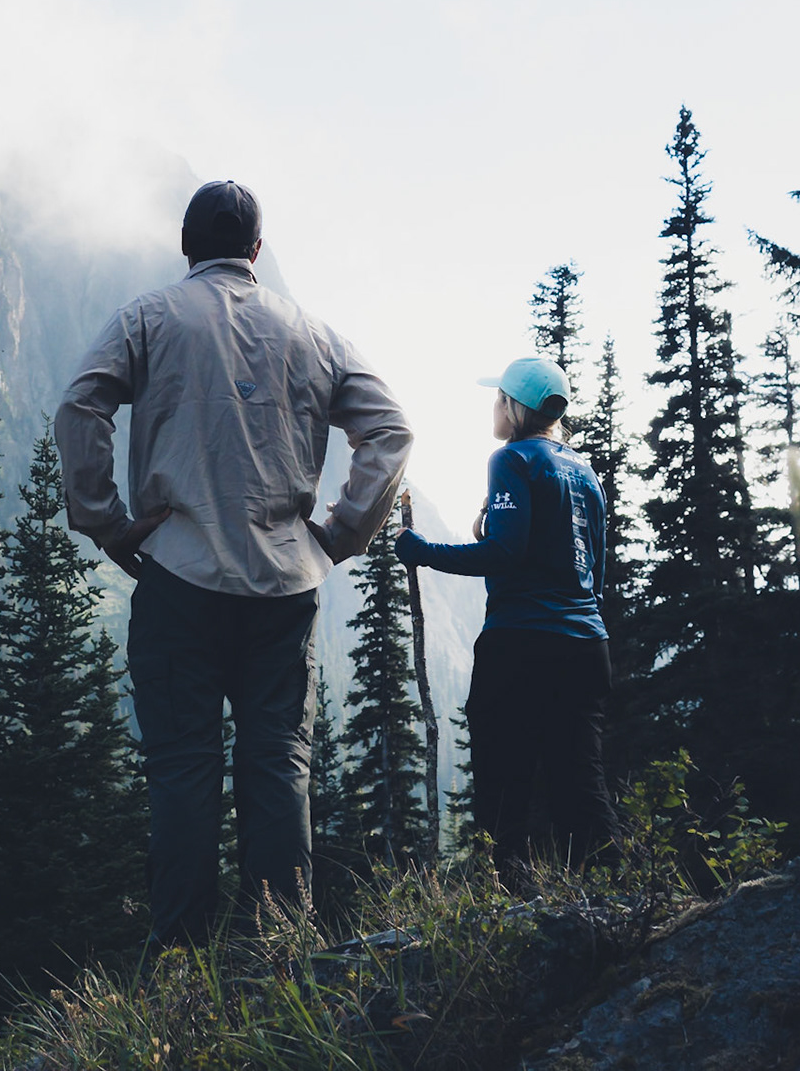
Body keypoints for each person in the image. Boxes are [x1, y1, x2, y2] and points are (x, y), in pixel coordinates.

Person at [55, 180, 412, 945]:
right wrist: (340, 535)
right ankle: (279, 951)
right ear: (256, 248)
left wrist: (107, 523)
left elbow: (82, 404)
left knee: (184, 767)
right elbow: (391, 430)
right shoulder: (315, 335)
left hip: (178, 579)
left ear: (187, 245)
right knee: (278, 762)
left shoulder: (148, 318)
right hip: (285, 586)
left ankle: (183, 962)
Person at [394, 357, 618, 881]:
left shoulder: (511, 459)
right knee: (580, 780)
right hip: (587, 645)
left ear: (513, 406)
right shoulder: (585, 471)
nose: (493, 406)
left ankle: (510, 893)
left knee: (503, 780)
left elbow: (505, 554)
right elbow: (595, 570)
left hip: (520, 642)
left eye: (498, 398)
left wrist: (423, 551)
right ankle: (612, 891)